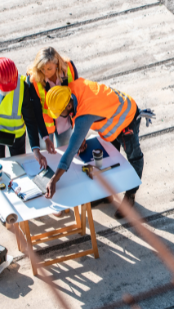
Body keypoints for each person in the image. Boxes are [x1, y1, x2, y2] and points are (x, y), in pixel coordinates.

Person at [44, 79, 144, 219]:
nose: (59, 115)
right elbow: (76, 115)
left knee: (134, 157)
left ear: (67, 105)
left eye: (60, 112)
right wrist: (81, 136)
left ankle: (130, 194)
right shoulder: (72, 89)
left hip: (127, 117)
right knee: (107, 160)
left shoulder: (85, 115)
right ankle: (106, 194)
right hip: (112, 118)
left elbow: (71, 150)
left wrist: (54, 179)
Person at [0, 57, 49, 167]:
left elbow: (30, 119)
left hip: (16, 136)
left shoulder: (22, 86)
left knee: (20, 166)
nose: (8, 91)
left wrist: (35, 148)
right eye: (5, 88)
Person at [26, 47, 78, 150]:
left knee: (65, 151)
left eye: (49, 69)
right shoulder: (33, 79)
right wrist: (45, 137)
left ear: (57, 64)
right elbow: (35, 111)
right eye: (42, 69)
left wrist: (78, 129)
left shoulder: (69, 68)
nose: (45, 72)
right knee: (47, 157)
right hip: (44, 126)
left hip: (65, 123)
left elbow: (77, 98)